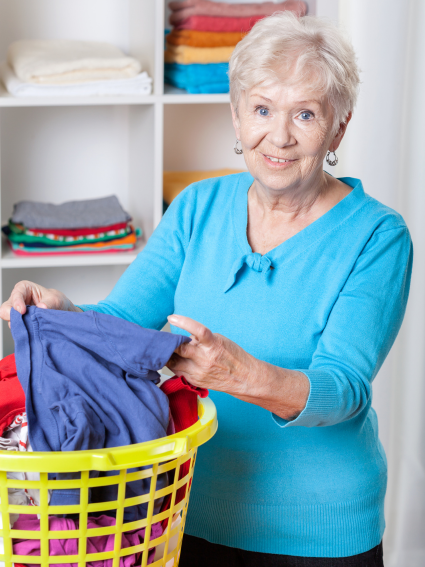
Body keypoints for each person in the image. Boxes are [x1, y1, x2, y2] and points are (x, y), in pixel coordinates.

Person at [0, 12, 412, 567]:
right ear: (237, 117)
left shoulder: (377, 236)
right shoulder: (198, 206)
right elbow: (125, 320)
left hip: (315, 530)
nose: (280, 136)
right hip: (181, 509)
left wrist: (239, 375)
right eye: (262, 109)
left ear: (338, 128)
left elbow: (344, 388)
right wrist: (64, 309)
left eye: (306, 114)